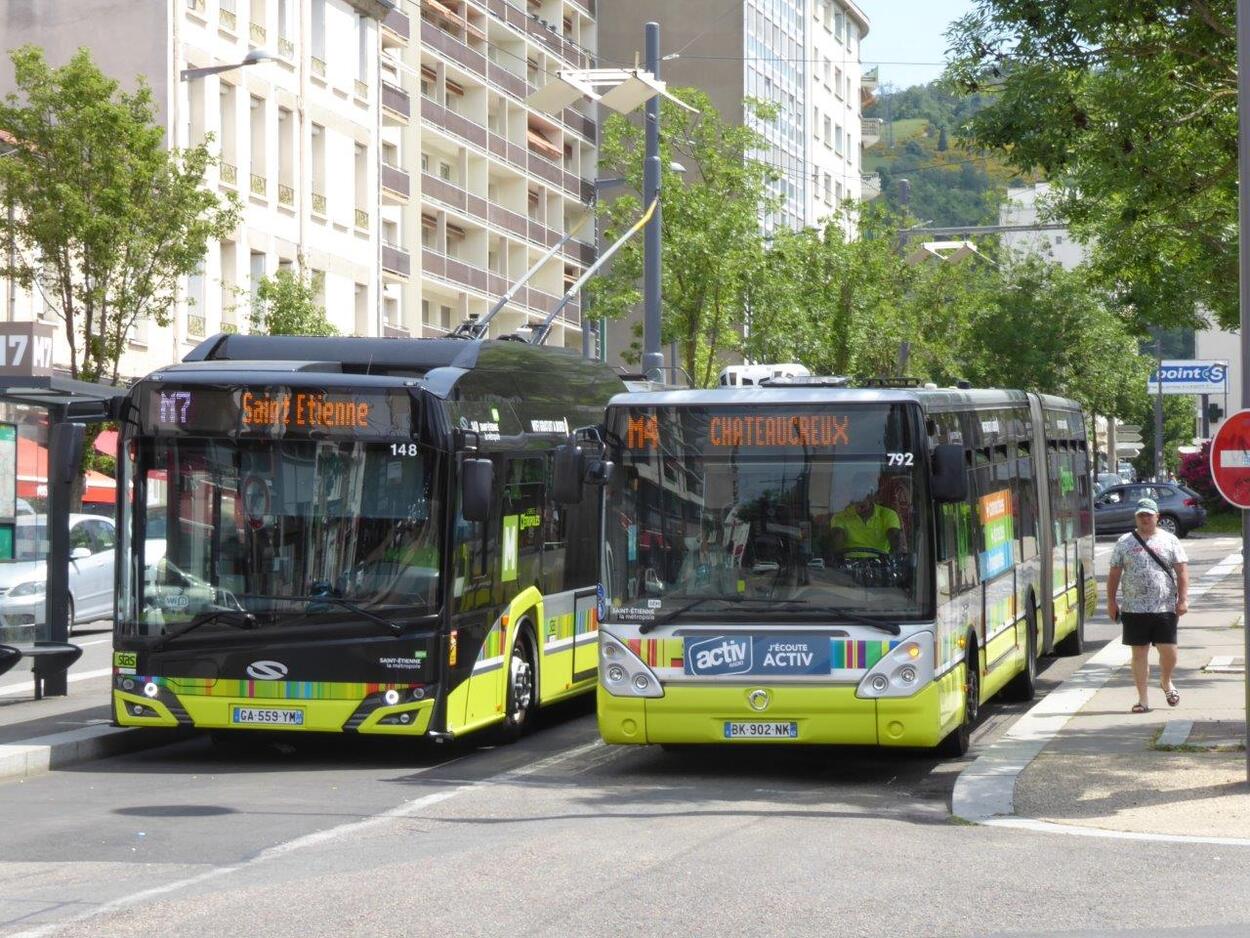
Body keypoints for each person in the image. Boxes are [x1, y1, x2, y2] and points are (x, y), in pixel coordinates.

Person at [1106, 497, 1189, 713]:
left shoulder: (1170, 540)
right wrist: (1111, 600)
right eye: (1141, 515)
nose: (1145, 519)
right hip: (1134, 608)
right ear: (1136, 517)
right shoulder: (1124, 541)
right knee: (1139, 654)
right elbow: (1115, 572)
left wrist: (1183, 599)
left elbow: (1181, 571)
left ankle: (1166, 680)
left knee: (1169, 651)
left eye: (1148, 515)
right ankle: (1143, 700)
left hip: (1164, 607)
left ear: (1157, 517)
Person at [829, 471, 901, 561]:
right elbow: (837, 543)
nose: (862, 496)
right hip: (848, 568)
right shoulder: (840, 517)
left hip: (881, 566)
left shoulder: (888, 515)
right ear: (852, 495)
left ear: (873, 495)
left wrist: (896, 557)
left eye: (866, 492)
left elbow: (895, 540)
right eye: (858, 492)